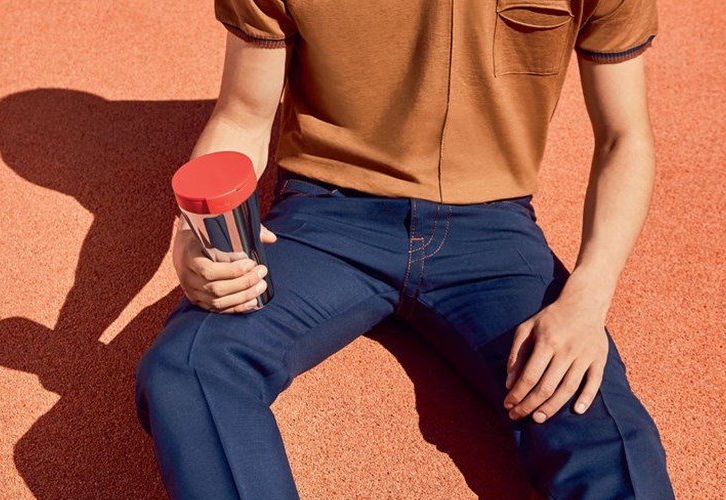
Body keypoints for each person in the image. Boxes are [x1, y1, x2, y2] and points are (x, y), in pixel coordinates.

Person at [133, 0, 676, 498]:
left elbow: (624, 137)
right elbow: (242, 116)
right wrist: (194, 232)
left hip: (492, 231)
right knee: (190, 366)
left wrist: (588, 296)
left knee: (602, 427)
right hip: (325, 217)